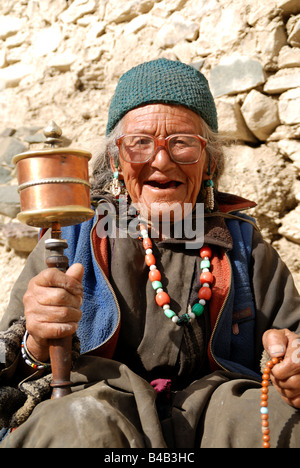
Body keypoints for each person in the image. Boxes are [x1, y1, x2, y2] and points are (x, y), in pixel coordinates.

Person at [0, 58, 300, 448]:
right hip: (98, 407)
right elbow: (10, 360)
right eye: (140, 143)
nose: (161, 160)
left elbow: (292, 338)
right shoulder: (72, 239)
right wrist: (36, 342)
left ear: (209, 162)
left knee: (278, 424)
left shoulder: (245, 249)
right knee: (72, 423)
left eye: (183, 143)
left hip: (217, 416)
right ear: (115, 162)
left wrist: (290, 365)